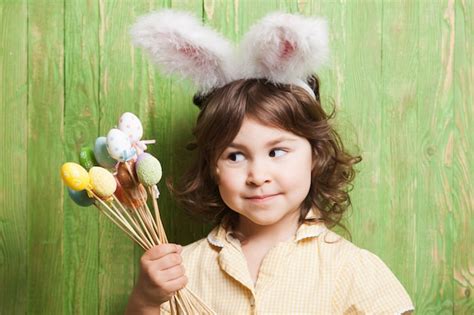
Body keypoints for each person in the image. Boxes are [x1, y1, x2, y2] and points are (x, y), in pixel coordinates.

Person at [126, 10, 415, 314]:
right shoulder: (181, 270)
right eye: (235, 156)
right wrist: (146, 299)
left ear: (315, 155)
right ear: (213, 166)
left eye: (276, 151)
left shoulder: (352, 269)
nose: (258, 175)